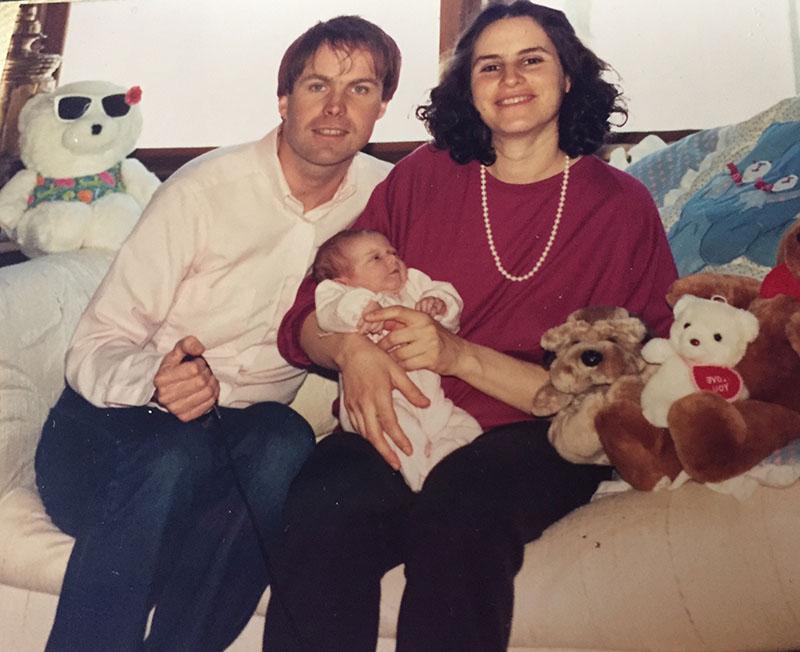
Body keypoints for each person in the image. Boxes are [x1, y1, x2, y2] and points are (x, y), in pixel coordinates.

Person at [263, 2, 678, 652]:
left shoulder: (620, 208)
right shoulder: (424, 178)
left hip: (534, 429)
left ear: (568, 77)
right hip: (404, 415)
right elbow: (302, 319)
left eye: (531, 60)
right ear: (469, 85)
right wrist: (350, 350)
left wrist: (458, 355)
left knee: (459, 513)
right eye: (490, 65)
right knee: (322, 508)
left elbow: (637, 383)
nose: (510, 79)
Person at [33, 15, 401, 652]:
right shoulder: (204, 188)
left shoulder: (386, 198)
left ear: (381, 109)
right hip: (107, 436)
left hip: (234, 448)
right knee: (172, 453)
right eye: (317, 86)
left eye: (360, 89)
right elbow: (96, 343)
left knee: (285, 436)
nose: (336, 107)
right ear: (284, 100)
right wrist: (154, 377)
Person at [313, 229, 482, 491]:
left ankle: (442, 480)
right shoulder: (341, 295)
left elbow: (447, 298)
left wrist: (438, 303)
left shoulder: (413, 285)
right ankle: (420, 488)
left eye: (393, 253)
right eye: (376, 258)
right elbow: (329, 312)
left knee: (465, 428)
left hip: (431, 403)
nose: (392, 260)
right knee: (401, 438)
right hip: (380, 403)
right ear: (344, 280)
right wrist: (361, 307)